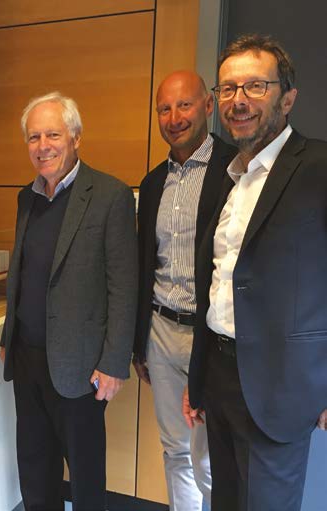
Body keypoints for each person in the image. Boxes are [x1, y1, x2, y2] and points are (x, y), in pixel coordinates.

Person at [183, 34, 327, 511]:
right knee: (224, 500)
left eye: (255, 86)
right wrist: (198, 379)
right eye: (227, 88)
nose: (238, 100)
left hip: (282, 387)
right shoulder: (232, 177)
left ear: (287, 98)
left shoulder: (319, 167)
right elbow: (219, 283)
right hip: (221, 377)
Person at [0, 92, 137, 511]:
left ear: (76, 137)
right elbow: (22, 272)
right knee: (35, 470)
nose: (42, 146)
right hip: (27, 359)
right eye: (34, 137)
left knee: (85, 477)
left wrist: (114, 362)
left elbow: (124, 285)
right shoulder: (27, 197)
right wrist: (9, 337)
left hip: (81, 364)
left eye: (53, 135)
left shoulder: (110, 195)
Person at [133, 70, 236, 511]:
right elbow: (145, 264)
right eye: (165, 108)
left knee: (209, 458)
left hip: (208, 337)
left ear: (208, 105)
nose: (174, 117)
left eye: (185, 105)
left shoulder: (234, 171)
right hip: (160, 332)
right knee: (175, 449)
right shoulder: (153, 182)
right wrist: (139, 342)